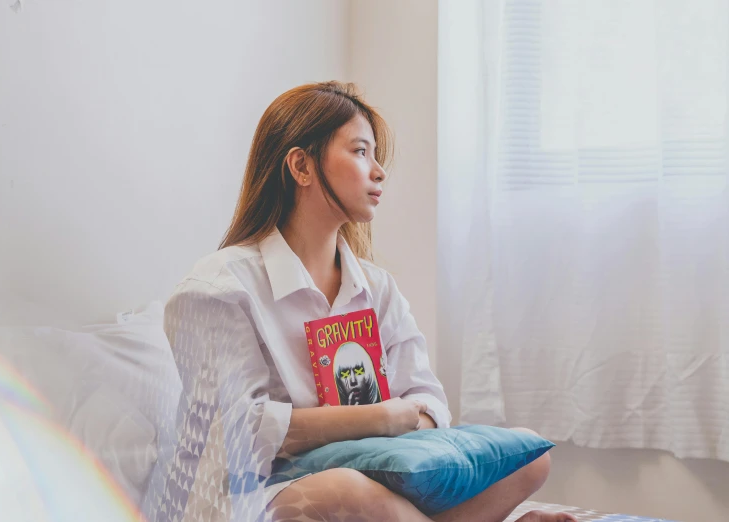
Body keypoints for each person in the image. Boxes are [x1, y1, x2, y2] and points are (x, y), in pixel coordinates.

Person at [158, 81, 577, 522]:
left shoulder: (378, 288)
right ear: (301, 166)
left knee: (530, 455)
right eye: (360, 152)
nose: (378, 172)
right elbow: (235, 432)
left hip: (370, 480)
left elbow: (430, 403)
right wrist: (377, 419)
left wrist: (397, 424)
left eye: (376, 156)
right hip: (250, 493)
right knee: (347, 488)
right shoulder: (219, 288)